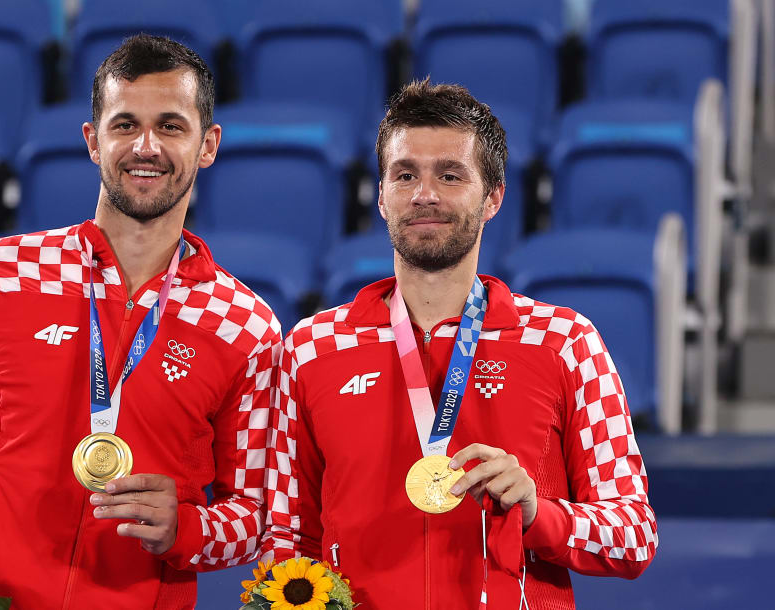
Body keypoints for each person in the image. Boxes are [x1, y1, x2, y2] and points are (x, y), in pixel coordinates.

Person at [0, 35, 281, 609]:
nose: (146, 146)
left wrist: (186, 528)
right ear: (92, 140)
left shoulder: (244, 327)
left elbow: (254, 516)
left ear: (208, 145)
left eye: (171, 126)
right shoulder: (2, 273)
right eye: (125, 124)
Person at [261, 79, 658, 609]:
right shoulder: (312, 348)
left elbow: (633, 535)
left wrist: (540, 511)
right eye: (405, 175)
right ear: (381, 196)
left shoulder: (565, 341)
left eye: (450, 175)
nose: (425, 194)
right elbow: (286, 537)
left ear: (493, 197)